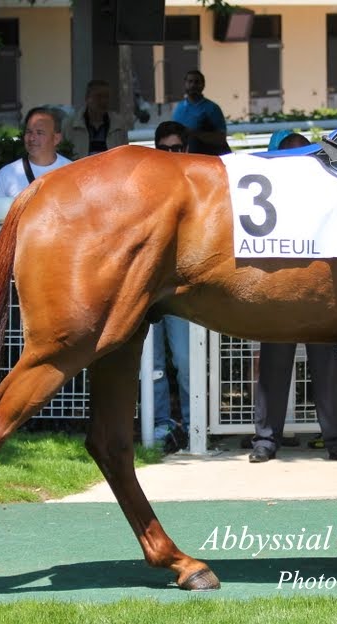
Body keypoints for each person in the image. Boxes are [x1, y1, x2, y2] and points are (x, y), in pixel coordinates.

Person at [248, 131, 337, 464]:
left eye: (304, 153)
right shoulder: (269, 194)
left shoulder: (323, 191)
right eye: (291, 154)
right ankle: (265, 441)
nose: (299, 160)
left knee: (327, 368)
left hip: (317, 292)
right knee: (273, 368)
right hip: (280, 291)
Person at [149, 120, 193, 453]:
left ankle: (194, 426)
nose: (169, 155)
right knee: (153, 365)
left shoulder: (196, 184)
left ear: (186, 150)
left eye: (175, 148)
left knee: (185, 358)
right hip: (147, 287)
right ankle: (160, 425)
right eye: (163, 149)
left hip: (182, 288)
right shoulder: (146, 186)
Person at [0, 107, 72, 198]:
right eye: (29, 132)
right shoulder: (6, 174)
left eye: (39, 133)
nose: (32, 138)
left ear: (56, 139)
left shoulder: (72, 172)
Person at [63, 79, 130, 158]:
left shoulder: (118, 124)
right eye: (98, 96)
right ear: (87, 98)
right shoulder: (70, 124)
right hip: (82, 169)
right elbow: (64, 154)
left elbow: (125, 155)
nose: (103, 101)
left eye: (106, 97)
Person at [172, 70, 229, 156]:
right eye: (190, 81)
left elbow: (221, 139)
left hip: (206, 159)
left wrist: (194, 134)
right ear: (185, 84)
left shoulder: (212, 108)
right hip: (183, 159)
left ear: (203, 85)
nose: (193, 85)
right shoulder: (179, 107)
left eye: (197, 82)